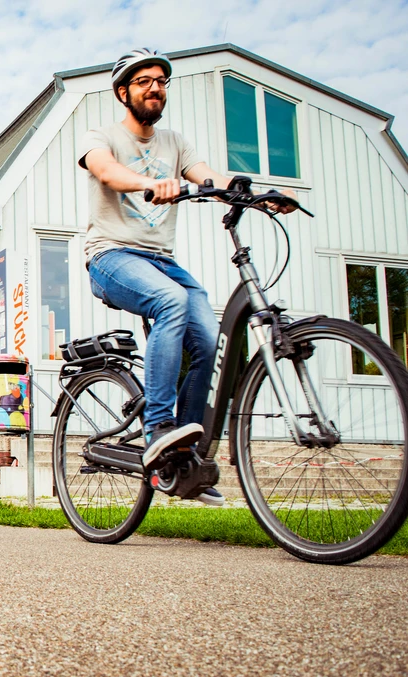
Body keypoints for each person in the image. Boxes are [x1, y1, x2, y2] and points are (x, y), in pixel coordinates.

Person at [78, 48, 295, 506]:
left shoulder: (175, 142)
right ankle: (159, 427)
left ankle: (186, 459)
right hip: (111, 256)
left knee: (209, 343)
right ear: (124, 92)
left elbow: (209, 178)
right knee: (171, 301)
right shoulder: (102, 135)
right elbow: (106, 171)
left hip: (162, 260)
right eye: (143, 82)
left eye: (160, 81)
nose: (155, 87)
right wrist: (148, 183)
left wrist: (259, 194)